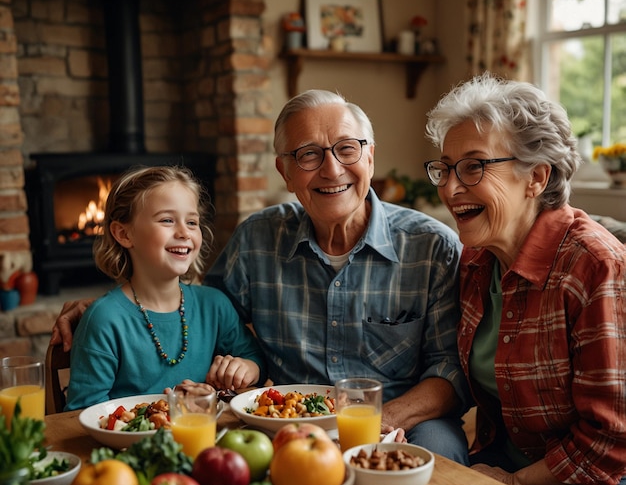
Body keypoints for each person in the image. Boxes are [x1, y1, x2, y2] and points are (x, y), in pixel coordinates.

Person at [52, 91, 470, 463]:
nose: (331, 169)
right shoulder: (257, 240)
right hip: (283, 422)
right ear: (285, 172)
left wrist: (380, 419)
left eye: (347, 149)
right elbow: (196, 310)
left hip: (400, 416)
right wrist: (112, 309)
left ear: (370, 157)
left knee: (438, 456)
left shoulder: (431, 246)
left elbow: (451, 369)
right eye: (308, 154)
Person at [423, 72, 626, 485]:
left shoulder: (595, 266)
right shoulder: (476, 260)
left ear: (535, 177)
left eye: (473, 166)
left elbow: (609, 442)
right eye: (445, 167)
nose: (450, 188)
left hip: (602, 478)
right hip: (509, 461)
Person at [64, 165, 266, 411]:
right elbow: (82, 412)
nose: (184, 232)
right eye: (167, 220)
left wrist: (247, 368)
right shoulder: (104, 319)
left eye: (192, 222)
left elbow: (255, 359)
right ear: (124, 233)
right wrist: (171, 409)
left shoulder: (214, 305)